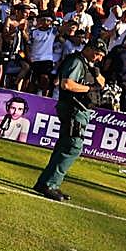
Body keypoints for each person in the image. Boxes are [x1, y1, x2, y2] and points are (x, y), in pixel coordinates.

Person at [34, 38, 108, 201]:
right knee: (73, 146)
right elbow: (66, 84)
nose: (99, 58)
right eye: (97, 54)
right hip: (73, 109)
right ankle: (51, 184)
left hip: (80, 109)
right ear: (88, 49)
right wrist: (89, 88)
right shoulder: (76, 61)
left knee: (64, 145)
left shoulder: (89, 65)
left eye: (101, 56)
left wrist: (97, 75)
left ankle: (45, 182)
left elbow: (102, 83)